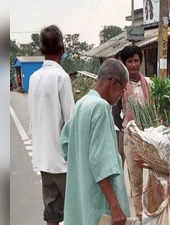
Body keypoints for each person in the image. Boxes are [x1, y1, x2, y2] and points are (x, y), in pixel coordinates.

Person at [60, 58, 130, 225]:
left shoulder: (82, 104)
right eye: (122, 90)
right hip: (99, 199)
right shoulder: (101, 107)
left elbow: (65, 143)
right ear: (113, 82)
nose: (121, 95)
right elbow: (101, 162)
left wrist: (81, 166)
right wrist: (115, 205)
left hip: (82, 194)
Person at [28, 25, 75, 225]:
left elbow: (33, 118)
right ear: (62, 49)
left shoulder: (33, 78)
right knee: (73, 212)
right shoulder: (61, 77)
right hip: (62, 162)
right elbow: (71, 121)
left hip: (43, 159)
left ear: (41, 50)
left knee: (52, 213)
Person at [112, 45, 152, 220]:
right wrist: (125, 128)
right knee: (135, 180)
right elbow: (114, 112)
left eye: (136, 61)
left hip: (149, 136)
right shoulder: (120, 87)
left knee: (153, 179)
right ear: (124, 63)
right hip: (130, 137)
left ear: (141, 62)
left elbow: (155, 108)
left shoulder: (149, 83)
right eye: (130, 61)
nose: (134, 65)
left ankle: (152, 214)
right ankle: (139, 216)